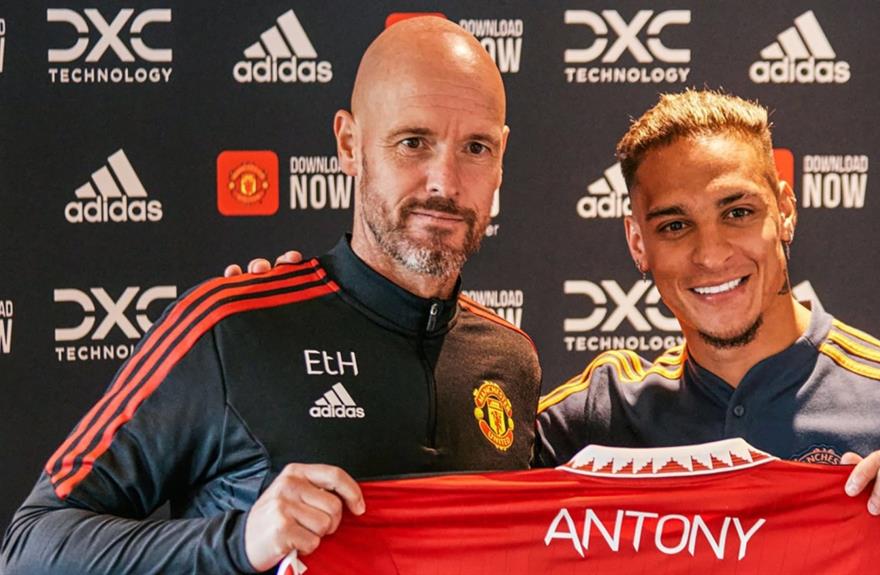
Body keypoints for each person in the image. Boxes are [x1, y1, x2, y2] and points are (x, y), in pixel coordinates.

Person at [1, 17, 541, 574]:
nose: (445, 182)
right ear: (350, 145)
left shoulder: (511, 358)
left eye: (475, 147)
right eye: (413, 143)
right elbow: (30, 545)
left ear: (501, 157)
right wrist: (238, 541)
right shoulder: (229, 326)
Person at [534, 89, 880, 574]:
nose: (711, 254)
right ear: (638, 243)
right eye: (675, 226)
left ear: (785, 210)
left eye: (738, 213)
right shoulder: (596, 417)